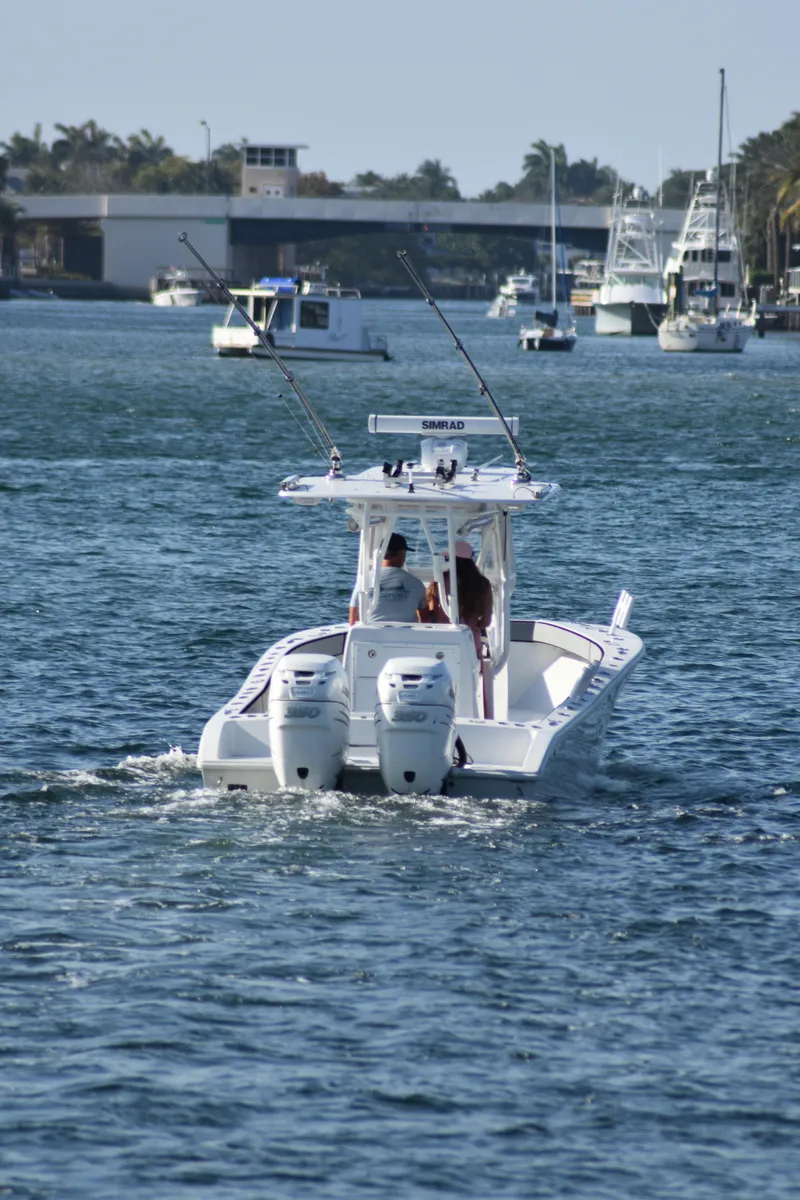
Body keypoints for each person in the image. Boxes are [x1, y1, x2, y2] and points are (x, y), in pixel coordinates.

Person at [348, 532, 427, 624]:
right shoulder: (416, 584)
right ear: (401, 553)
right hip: (406, 636)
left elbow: (352, 619)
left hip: (371, 635)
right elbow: (425, 621)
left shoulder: (363, 580)